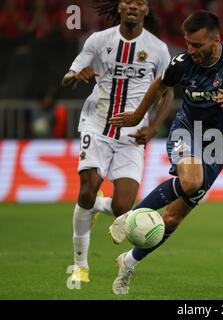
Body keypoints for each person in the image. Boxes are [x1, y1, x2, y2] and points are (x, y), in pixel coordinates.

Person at [107, 10, 223, 295]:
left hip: (218, 142)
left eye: (197, 45)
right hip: (187, 130)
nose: (190, 50)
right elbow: (160, 84)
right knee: (191, 181)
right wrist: (138, 116)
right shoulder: (183, 63)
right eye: (187, 43)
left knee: (172, 219)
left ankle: (129, 262)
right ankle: (130, 216)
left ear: (216, 41)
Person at [61, 0, 173, 283]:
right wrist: (76, 76)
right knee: (87, 189)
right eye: (128, 2)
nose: (133, 7)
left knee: (124, 208)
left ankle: (98, 205)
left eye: (139, 3)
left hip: (132, 135)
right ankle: (80, 266)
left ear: (146, 9)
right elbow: (67, 78)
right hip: (96, 125)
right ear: (120, 7)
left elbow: (167, 93)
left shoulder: (158, 49)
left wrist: (153, 128)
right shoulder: (98, 40)